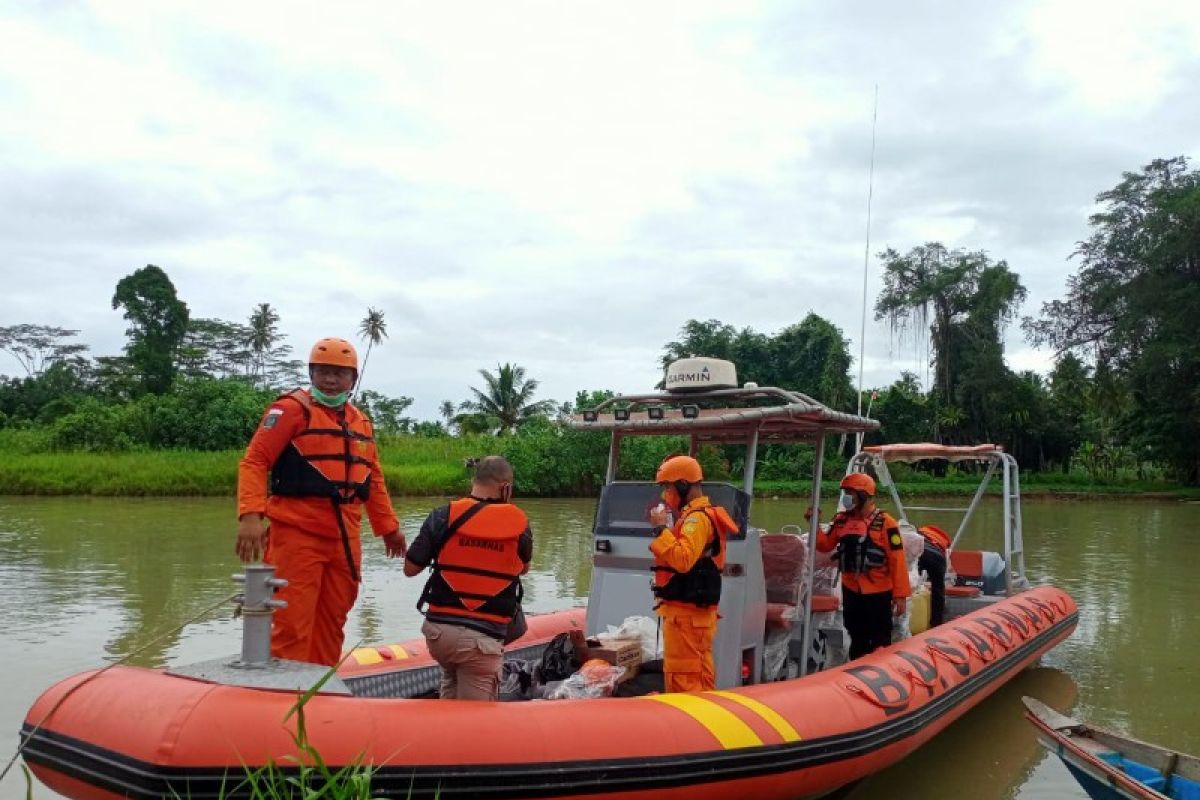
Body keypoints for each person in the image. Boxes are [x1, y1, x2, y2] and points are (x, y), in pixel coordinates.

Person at [235, 337, 407, 666]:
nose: (330, 380)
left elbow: (373, 478)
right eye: (324, 371)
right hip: (298, 534)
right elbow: (255, 460)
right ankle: (287, 700)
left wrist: (389, 529)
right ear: (311, 373)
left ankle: (323, 694)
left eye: (339, 374)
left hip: (345, 537)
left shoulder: (361, 423)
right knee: (292, 624)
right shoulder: (290, 410)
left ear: (353, 379)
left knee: (333, 622)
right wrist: (251, 516)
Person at [404, 456, 532, 701]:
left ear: (474, 480)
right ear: (506, 487)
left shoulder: (442, 516)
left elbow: (410, 569)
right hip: (481, 641)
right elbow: (523, 568)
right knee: (475, 724)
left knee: (450, 694)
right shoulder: (520, 524)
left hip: (439, 636)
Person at [648, 455, 739, 693]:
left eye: (667, 487)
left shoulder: (697, 519)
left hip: (689, 620)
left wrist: (660, 529)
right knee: (687, 674)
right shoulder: (691, 517)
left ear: (682, 485)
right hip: (685, 617)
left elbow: (683, 560)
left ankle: (693, 725)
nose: (665, 495)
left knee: (687, 678)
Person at [815, 473, 911, 660]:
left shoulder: (886, 523)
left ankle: (882, 674)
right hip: (851, 589)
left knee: (880, 639)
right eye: (845, 492)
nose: (846, 497)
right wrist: (815, 525)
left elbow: (897, 560)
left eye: (850, 492)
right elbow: (825, 545)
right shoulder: (841, 520)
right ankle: (856, 673)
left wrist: (900, 596)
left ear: (863, 495)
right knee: (856, 636)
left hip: (879, 591)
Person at [917, 523, 951, 626]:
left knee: (912, 584)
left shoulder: (920, 532)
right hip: (936, 555)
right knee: (938, 590)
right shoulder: (944, 543)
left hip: (918, 550)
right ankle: (936, 624)